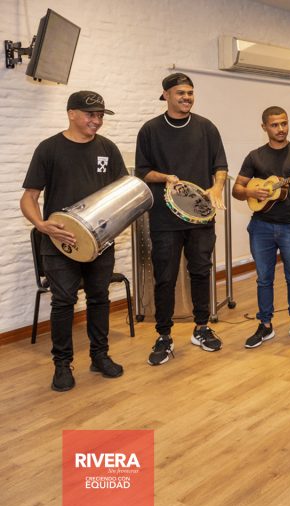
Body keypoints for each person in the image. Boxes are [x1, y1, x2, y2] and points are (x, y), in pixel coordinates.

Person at [20, 91, 127, 391]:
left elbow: (121, 192)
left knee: (99, 298)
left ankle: (100, 356)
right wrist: (42, 225)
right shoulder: (49, 149)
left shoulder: (108, 148)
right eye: (91, 114)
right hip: (60, 243)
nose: (97, 121)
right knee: (63, 302)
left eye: (101, 116)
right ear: (71, 114)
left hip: (100, 243)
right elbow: (29, 197)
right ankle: (62, 365)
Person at [135, 73, 228, 366]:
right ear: (166, 95)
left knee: (201, 271)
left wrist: (217, 187)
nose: (187, 97)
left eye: (190, 93)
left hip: (201, 216)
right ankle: (164, 335)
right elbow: (142, 172)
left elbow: (221, 166)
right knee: (165, 277)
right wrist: (165, 177)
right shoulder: (150, 130)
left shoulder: (206, 128)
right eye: (180, 93)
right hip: (164, 219)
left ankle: (202, 327)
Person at [233, 106, 290, 347]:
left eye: (284, 123)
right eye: (275, 125)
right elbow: (237, 189)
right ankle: (265, 325)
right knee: (264, 278)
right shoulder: (255, 156)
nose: (281, 129)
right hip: (261, 226)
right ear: (264, 127)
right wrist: (251, 192)